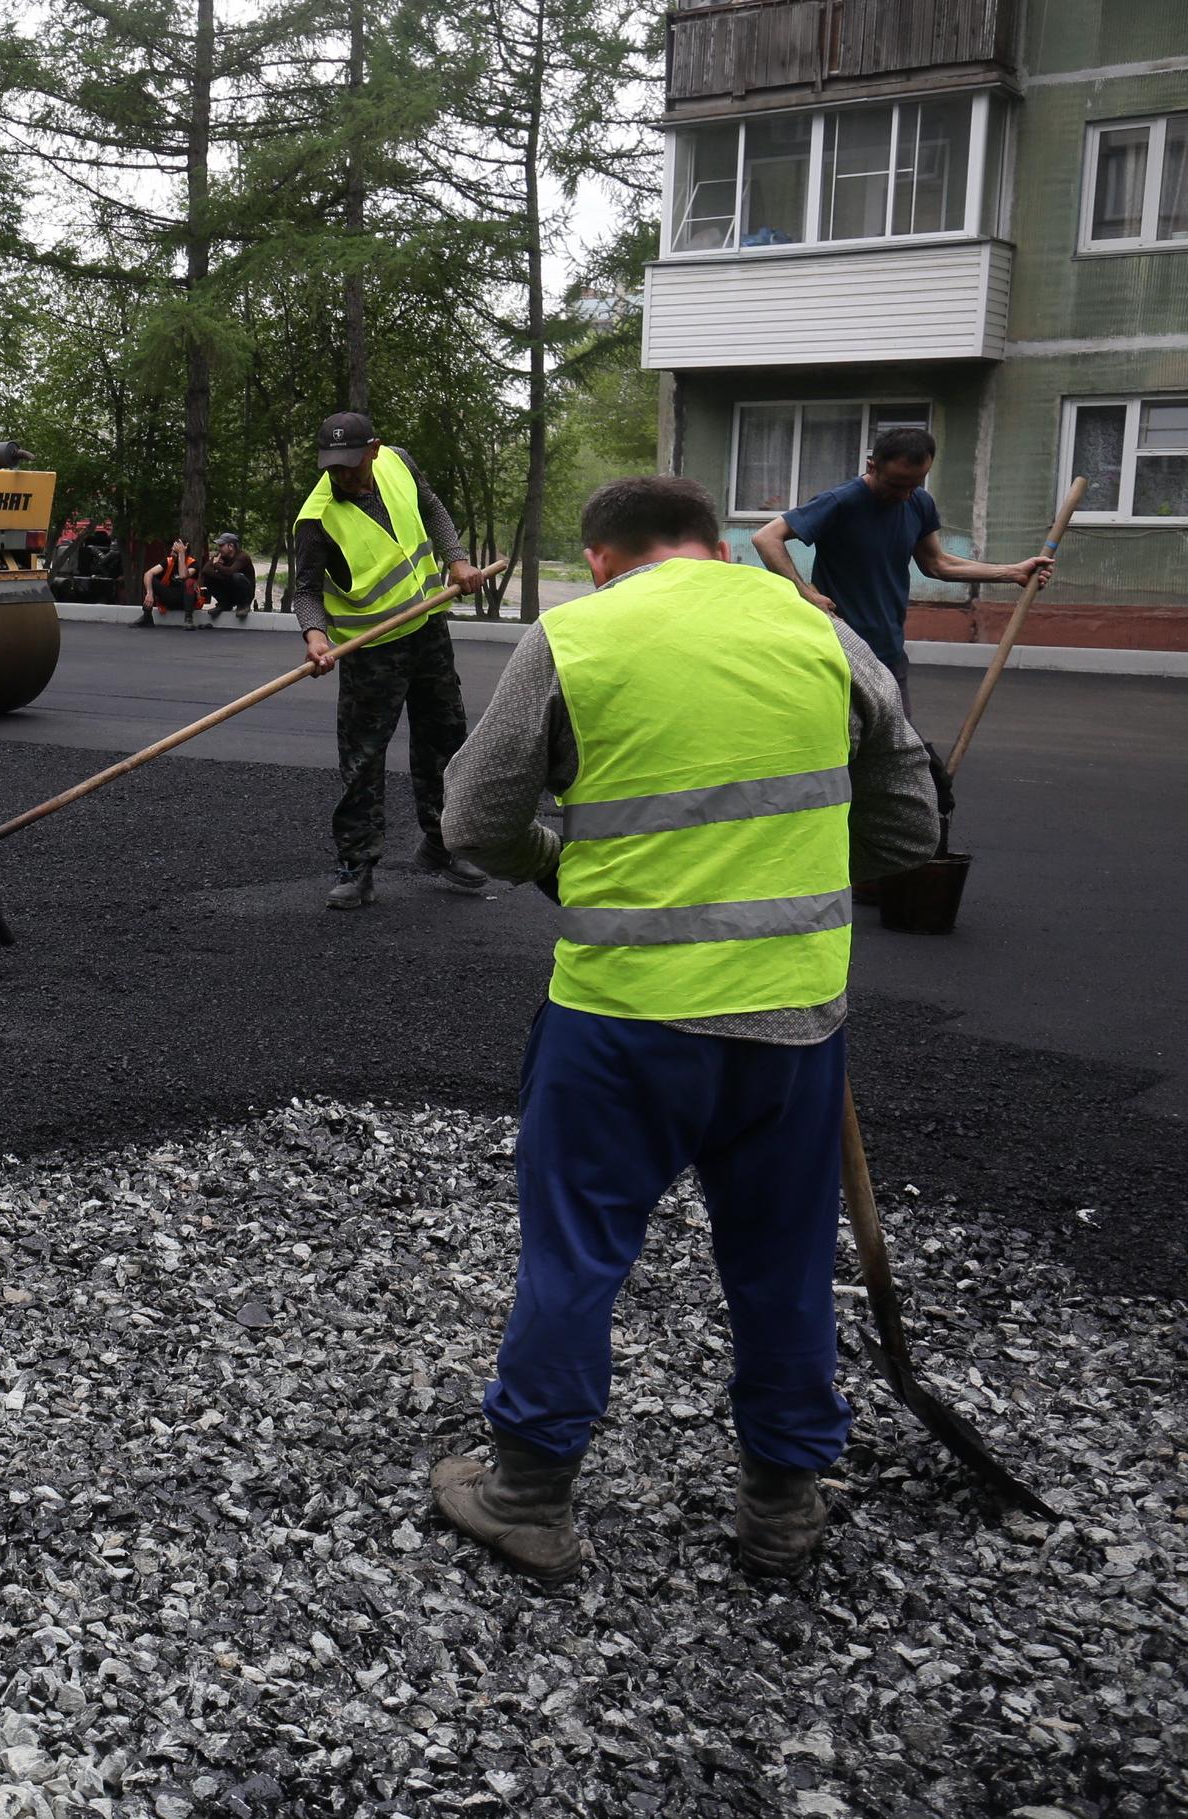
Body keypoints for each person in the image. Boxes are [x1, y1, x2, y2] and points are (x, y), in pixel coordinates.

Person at [429, 475, 940, 1582]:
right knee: (783, 1261)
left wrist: (554, 861)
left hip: (622, 1021)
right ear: (716, 547)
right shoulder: (824, 636)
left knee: (576, 1254)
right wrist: (794, 884)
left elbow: (473, 819)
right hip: (793, 1024)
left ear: (603, 559)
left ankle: (526, 1496)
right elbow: (908, 824)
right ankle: (782, 1509)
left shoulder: (575, 634)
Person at [294, 411, 489, 907]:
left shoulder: (398, 463)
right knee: (363, 760)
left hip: (427, 630)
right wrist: (315, 635)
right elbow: (306, 590)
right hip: (370, 652)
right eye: (332, 465)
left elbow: (433, 508)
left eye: (351, 464)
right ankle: (356, 865)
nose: (341, 474)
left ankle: (444, 845)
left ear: (374, 450)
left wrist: (457, 558)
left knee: (444, 739)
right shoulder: (316, 518)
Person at [750, 425, 1054, 713]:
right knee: (846, 745)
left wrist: (1011, 572)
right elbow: (767, 537)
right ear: (872, 467)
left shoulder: (919, 503)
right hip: (840, 649)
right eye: (896, 485)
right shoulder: (841, 501)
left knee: (897, 746)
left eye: (916, 484)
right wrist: (805, 594)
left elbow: (937, 564)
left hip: (889, 649)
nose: (905, 495)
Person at [140, 538, 206, 628]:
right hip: (171, 597)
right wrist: (150, 593)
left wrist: (181, 554)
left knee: (189, 582)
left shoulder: (193, 563)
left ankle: (188, 619)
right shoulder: (168, 561)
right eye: (172, 550)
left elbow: (183, 575)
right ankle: (147, 618)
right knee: (150, 579)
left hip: (186, 601)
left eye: (175, 552)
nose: (171, 554)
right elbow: (148, 574)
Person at [202, 531, 255, 622]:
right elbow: (206, 569)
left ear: (231, 546)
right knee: (208, 577)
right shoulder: (221, 556)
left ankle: (243, 606)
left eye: (221, 546)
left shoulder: (242, 557)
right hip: (230, 592)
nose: (219, 548)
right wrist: (222, 575)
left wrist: (217, 566)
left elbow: (231, 572)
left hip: (245, 593)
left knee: (237, 577)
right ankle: (224, 603)